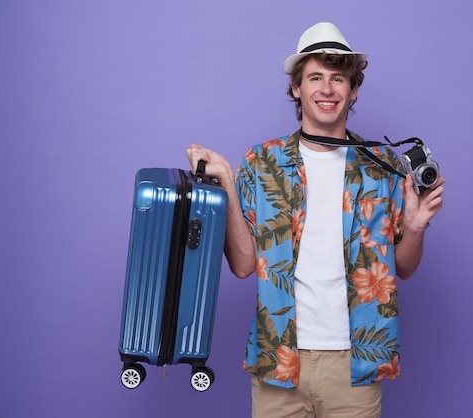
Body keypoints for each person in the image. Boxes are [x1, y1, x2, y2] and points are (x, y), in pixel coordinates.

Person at [186, 21, 445, 418]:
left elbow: (404, 268)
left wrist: (415, 226)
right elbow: (242, 265)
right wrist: (228, 186)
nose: (327, 89)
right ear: (296, 87)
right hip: (279, 359)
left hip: (355, 364)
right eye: (315, 77)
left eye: (338, 78)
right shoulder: (262, 163)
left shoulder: (384, 167)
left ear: (353, 88)